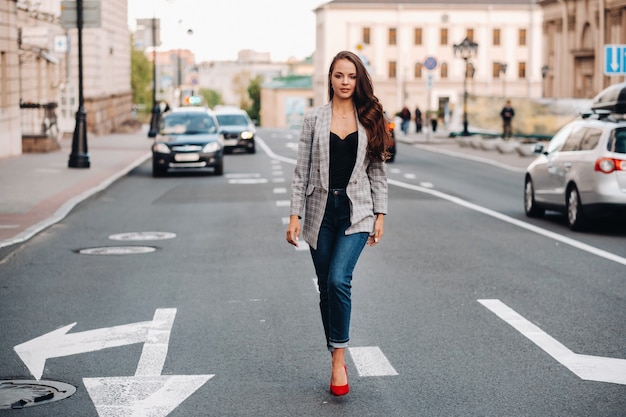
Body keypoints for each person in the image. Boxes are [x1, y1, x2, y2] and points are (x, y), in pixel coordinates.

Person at [286, 50, 389, 397]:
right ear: (330, 78)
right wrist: (294, 215)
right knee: (326, 288)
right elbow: (301, 171)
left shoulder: (370, 118)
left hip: (356, 211)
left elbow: (377, 170)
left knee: (338, 279)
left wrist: (380, 215)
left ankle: (337, 362)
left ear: (359, 80)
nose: (345, 82)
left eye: (351, 77)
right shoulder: (314, 118)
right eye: (339, 75)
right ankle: (336, 348)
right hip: (320, 210)